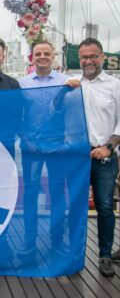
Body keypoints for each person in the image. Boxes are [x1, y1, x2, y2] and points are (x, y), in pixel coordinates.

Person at [64, 37, 120, 276]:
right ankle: (73, 254)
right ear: (80, 59)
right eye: (84, 56)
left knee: (105, 206)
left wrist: (109, 146)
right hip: (77, 157)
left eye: (93, 56)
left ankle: (105, 255)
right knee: (74, 205)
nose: (88, 60)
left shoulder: (115, 85)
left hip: (104, 156)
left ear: (102, 57)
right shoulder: (71, 85)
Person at [18, 40, 69, 257]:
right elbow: (17, 116)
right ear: (32, 57)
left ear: (53, 56)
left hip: (57, 149)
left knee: (57, 194)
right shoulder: (22, 84)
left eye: (46, 53)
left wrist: (65, 142)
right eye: (38, 53)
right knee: (30, 195)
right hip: (31, 149)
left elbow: (71, 115)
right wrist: (24, 138)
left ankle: (56, 241)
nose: (42, 57)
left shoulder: (66, 82)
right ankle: (29, 241)